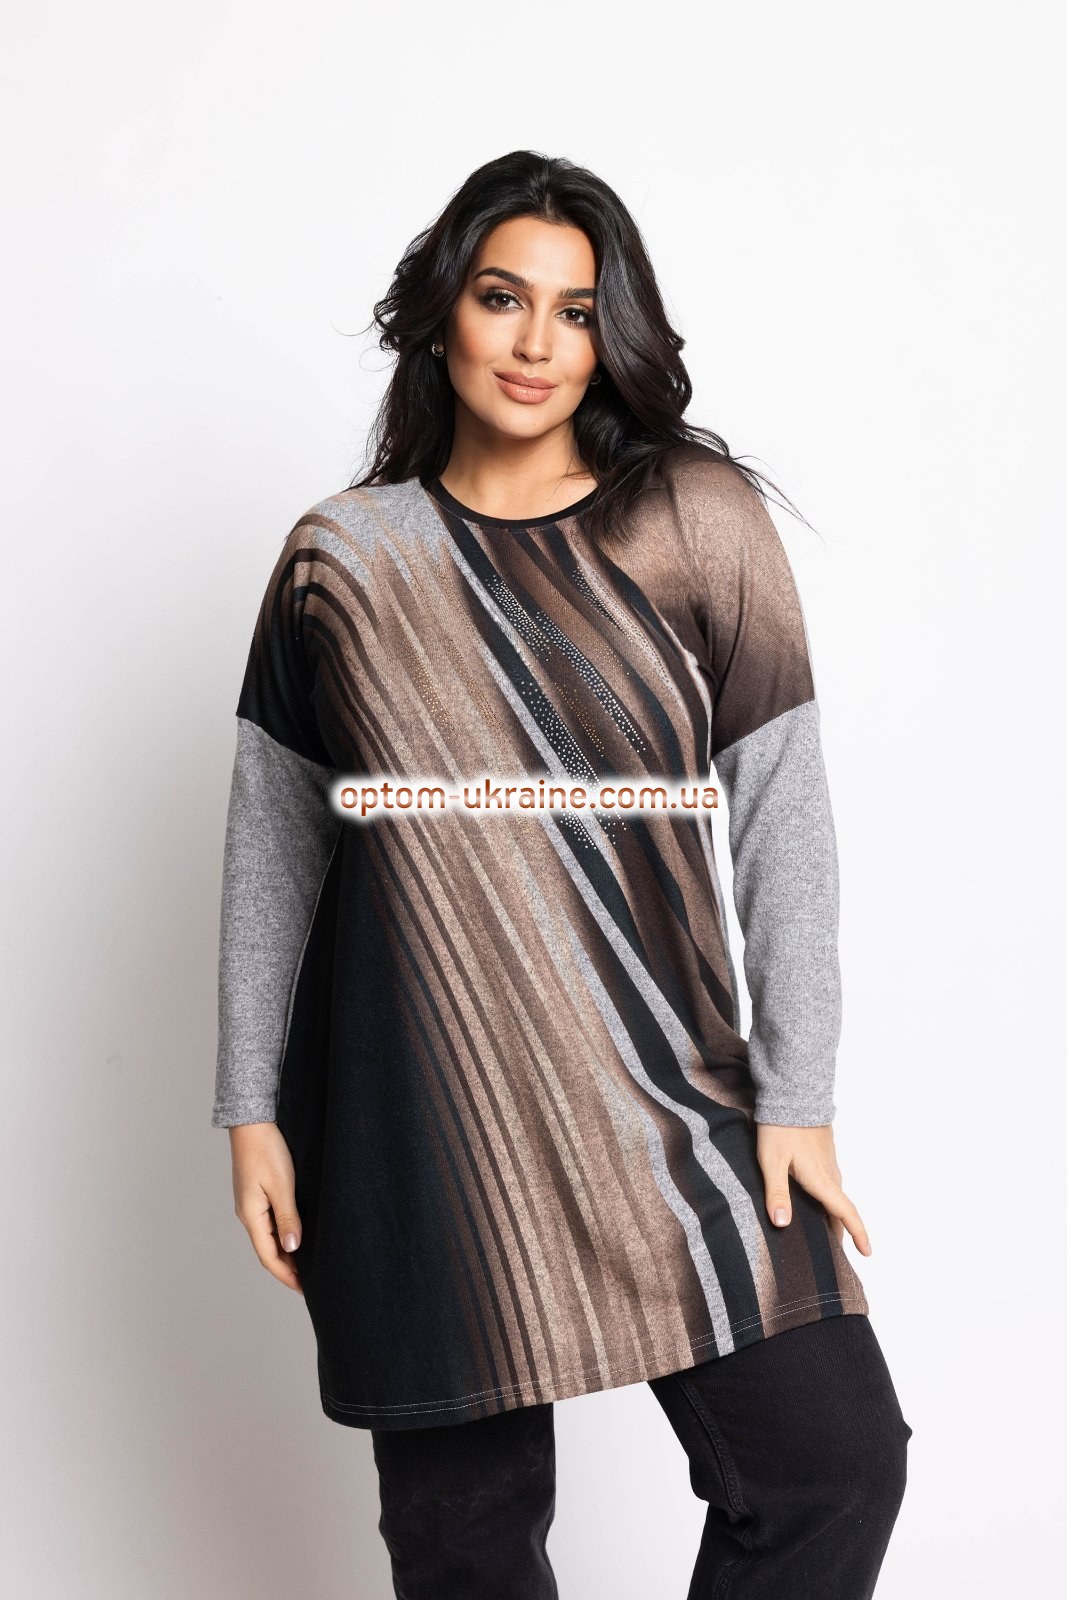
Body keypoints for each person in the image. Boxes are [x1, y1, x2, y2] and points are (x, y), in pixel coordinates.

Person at [212, 149, 913, 1597]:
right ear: (440, 314)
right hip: (419, 1114)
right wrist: (250, 1108)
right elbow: (274, 841)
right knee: (462, 1546)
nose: (537, 343)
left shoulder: (695, 521)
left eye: (577, 311)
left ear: (612, 336)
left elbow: (783, 810)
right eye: (502, 297)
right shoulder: (342, 558)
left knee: (832, 1461)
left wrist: (798, 1094)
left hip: (665, 1098)